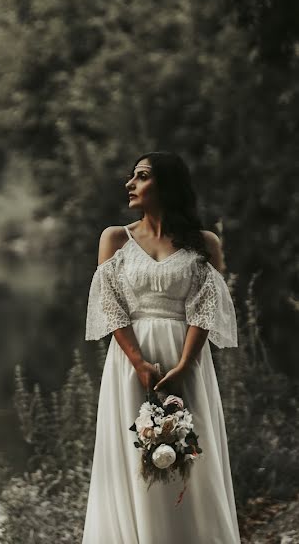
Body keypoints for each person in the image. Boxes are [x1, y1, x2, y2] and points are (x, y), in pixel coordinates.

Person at [81, 151, 240, 543]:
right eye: (132, 176)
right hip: (130, 364)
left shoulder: (204, 243)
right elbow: (110, 305)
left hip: (187, 361)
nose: (129, 184)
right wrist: (137, 362)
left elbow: (205, 307)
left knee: (192, 459)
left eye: (141, 176)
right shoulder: (115, 238)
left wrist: (186, 364)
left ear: (167, 184)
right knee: (132, 459)